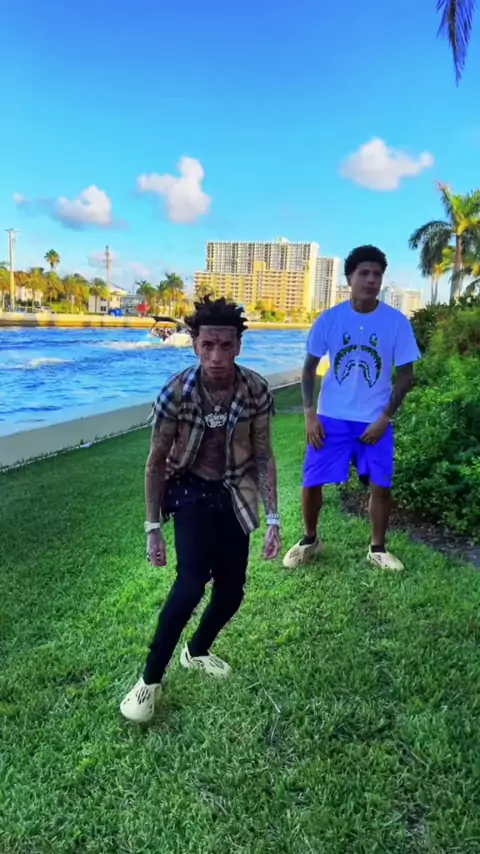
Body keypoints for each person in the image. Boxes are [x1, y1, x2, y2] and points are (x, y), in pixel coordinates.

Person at [121, 296, 281, 723]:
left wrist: (273, 518)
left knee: (232, 592)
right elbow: (156, 461)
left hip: (235, 489)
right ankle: (149, 680)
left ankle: (197, 651)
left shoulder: (256, 389)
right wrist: (152, 527)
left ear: (238, 346)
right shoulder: (176, 392)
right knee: (190, 584)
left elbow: (264, 455)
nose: (216, 356)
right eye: (208, 345)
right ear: (194, 344)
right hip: (189, 487)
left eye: (225, 345)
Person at [283, 245, 420, 573]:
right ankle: (310, 539)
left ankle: (377, 548)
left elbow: (406, 376)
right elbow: (308, 369)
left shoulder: (396, 323)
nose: (371, 280)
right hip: (331, 417)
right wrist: (309, 415)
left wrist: (385, 418)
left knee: (381, 485)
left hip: (375, 419)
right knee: (312, 480)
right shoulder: (330, 320)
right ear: (349, 278)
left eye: (377, 275)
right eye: (364, 273)